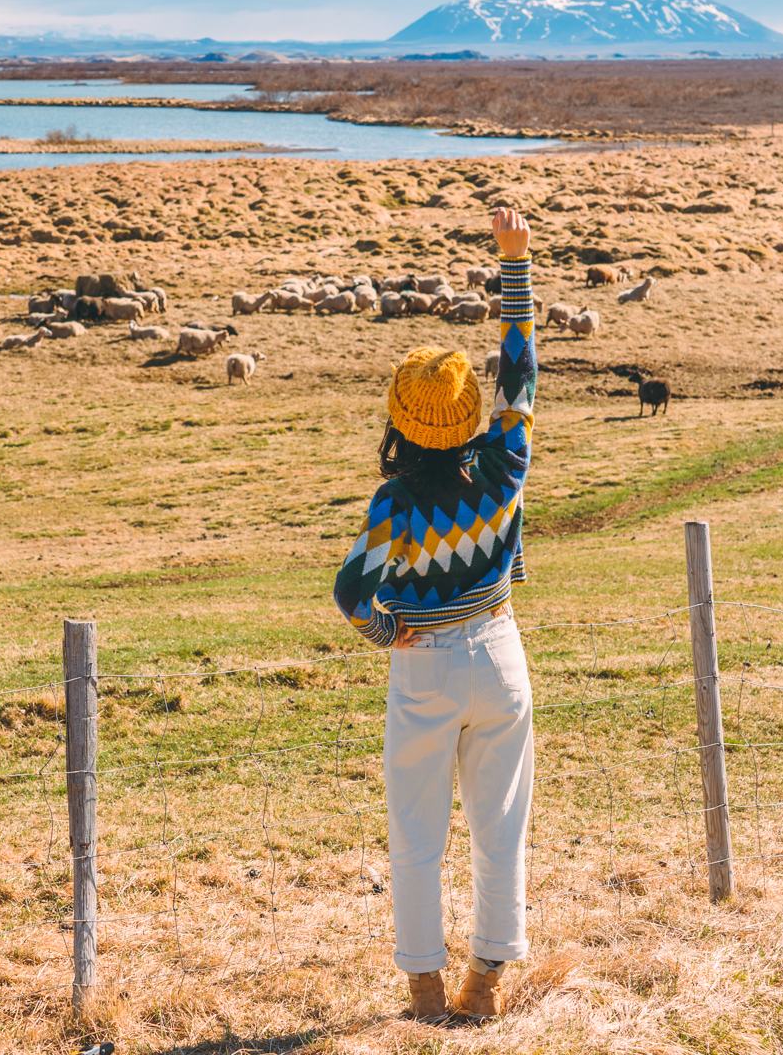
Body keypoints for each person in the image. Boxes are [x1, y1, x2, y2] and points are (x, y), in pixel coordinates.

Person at [332, 206, 536, 1024]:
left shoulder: (396, 505)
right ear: (469, 414)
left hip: (425, 668)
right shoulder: (506, 461)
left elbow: (352, 591)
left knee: (417, 836)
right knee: (501, 828)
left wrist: (391, 633)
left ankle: (422, 987)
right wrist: (513, 262)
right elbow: (521, 369)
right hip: (501, 654)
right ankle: (485, 984)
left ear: (400, 420)